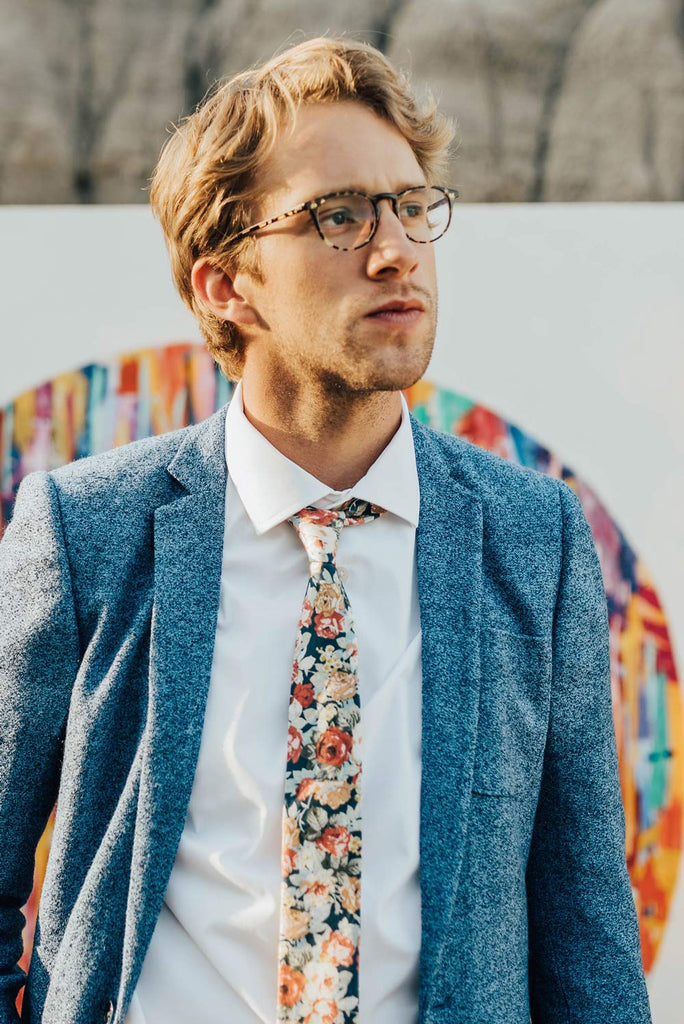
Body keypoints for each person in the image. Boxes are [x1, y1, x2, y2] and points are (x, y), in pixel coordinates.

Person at [0, 34, 651, 1024]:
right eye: (339, 216)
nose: (396, 251)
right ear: (227, 285)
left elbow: (586, 932)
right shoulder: (86, 531)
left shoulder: (535, 538)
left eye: (412, 207)